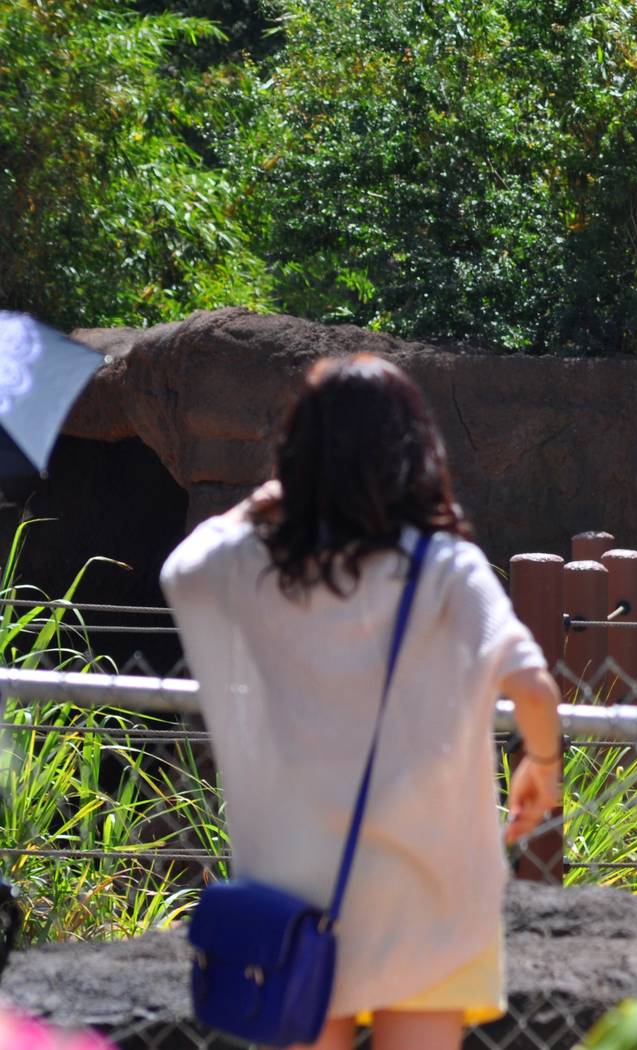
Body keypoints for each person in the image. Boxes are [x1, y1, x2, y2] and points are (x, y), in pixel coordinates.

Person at [160, 354, 562, 1050]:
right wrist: (543, 769)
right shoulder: (445, 565)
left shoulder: (254, 564)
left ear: (297, 454)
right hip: (426, 896)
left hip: (293, 897)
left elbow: (182, 567)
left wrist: (268, 496)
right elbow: (531, 684)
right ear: (416, 452)